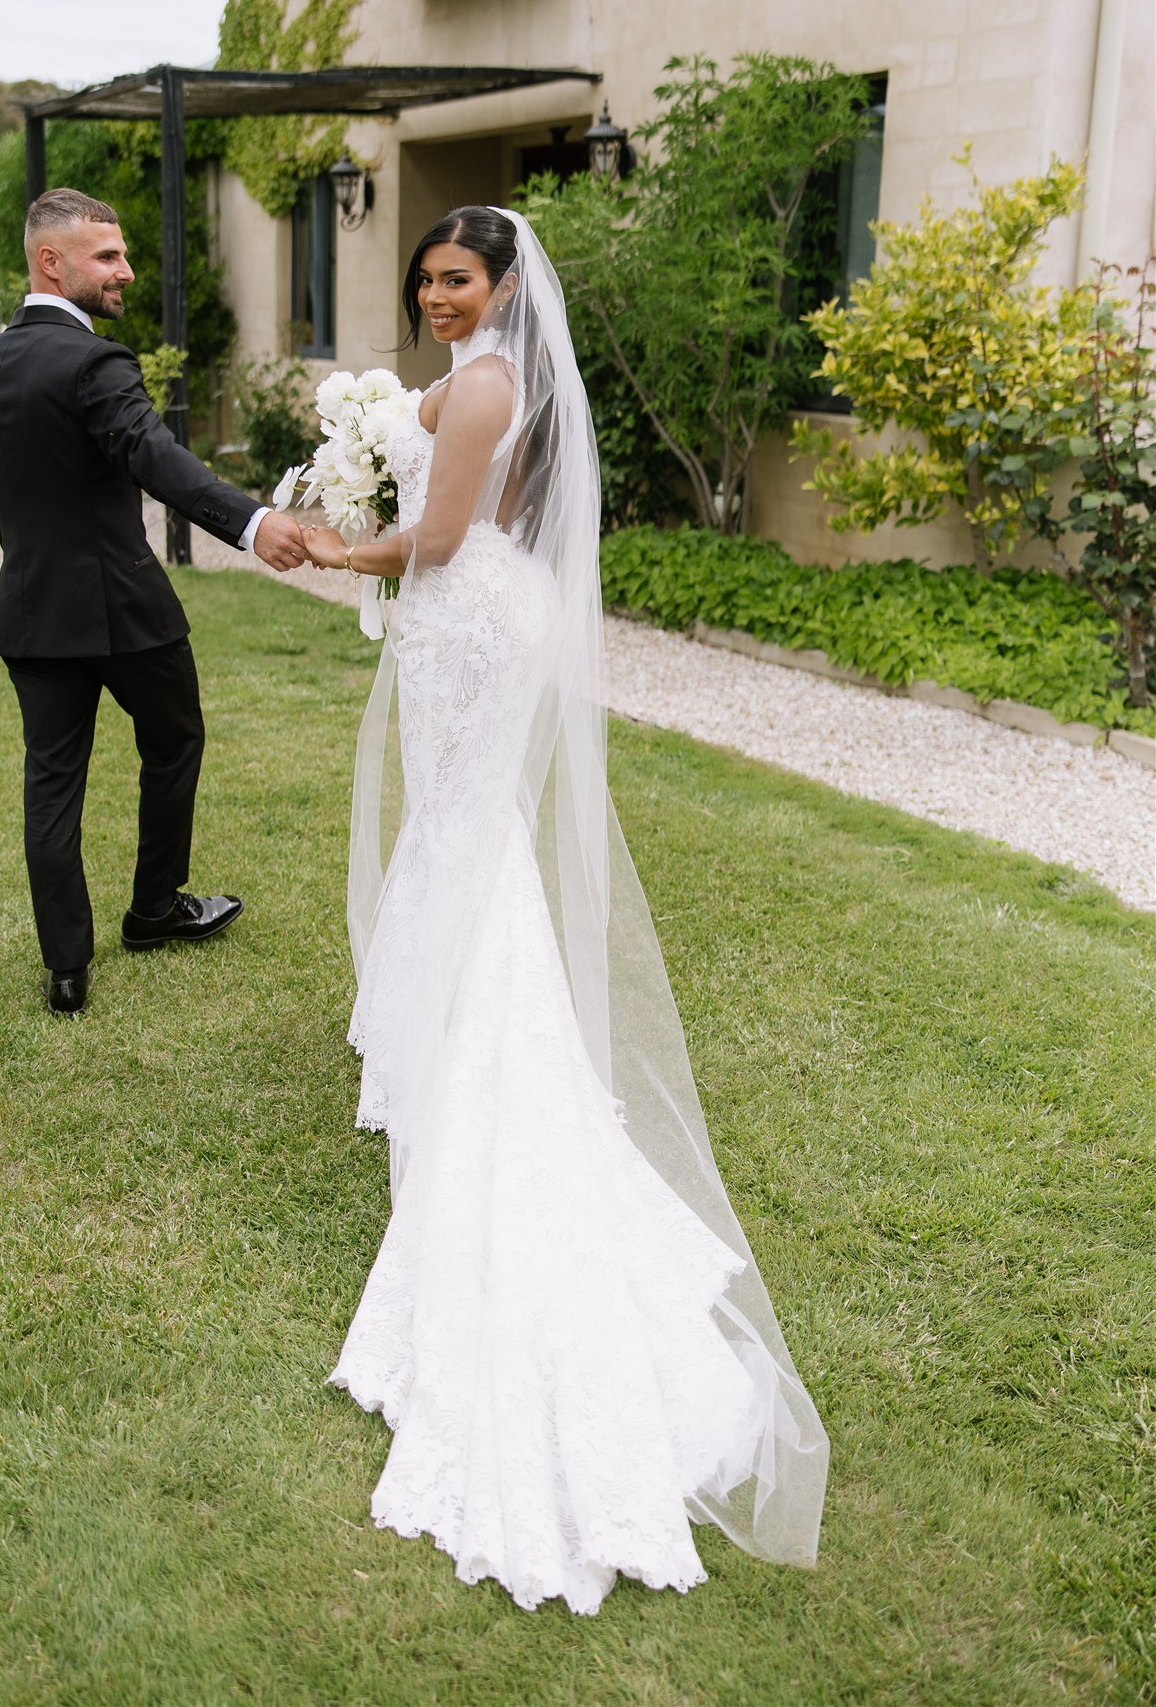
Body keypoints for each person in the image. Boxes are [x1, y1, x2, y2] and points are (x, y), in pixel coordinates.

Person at [302, 207, 828, 1615]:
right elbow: (432, 474)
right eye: (424, 277)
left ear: (502, 285)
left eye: (457, 277)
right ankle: (427, 1032)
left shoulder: (483, 383)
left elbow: (448, 531)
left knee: (467, 840)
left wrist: (328, 549)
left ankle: (471, 1048)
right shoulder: (483, 375)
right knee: (462, 837)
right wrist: (365, 454)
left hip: (466, 614)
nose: (435, 294)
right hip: (474, 619)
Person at [0, 187, 305, 1015]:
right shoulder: (95, 361)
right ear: (52, 262)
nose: (127, 271)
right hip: (124, 607)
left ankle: (67, 971)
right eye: (107, 256)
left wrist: (39, 575)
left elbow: (1, 506)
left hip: (32, 610)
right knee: (175, 739)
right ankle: (153, 911)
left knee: (51, 782)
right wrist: (253, 523)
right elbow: (153, 457)